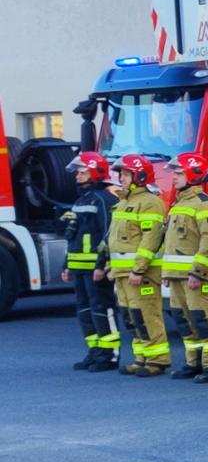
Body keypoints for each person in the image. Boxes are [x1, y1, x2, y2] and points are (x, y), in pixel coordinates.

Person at [159, 152, 208, 383]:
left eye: (179, 173)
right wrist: (166, 272)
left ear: (194, 175)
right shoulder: (179, 203)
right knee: (184, 320)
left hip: (196, 276)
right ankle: (193, 362)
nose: (174, 177)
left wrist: (199, 272)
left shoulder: (206, 204)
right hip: (177, 276)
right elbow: (170, 242)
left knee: (203, 318)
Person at [107, 155, 170, 377]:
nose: (121, 178)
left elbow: (150, 238)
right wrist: (110, 266)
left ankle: (157, 360)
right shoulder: (123, 202)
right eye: (121, 174)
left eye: (126, 174)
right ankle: (141, 357)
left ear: (140, 176)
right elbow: (113, 239)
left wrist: (139, 269)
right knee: (131, 317)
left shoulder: (149, 202)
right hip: (122, 273)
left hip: (140, 274)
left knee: (146, 315)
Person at [63, 151, 120, 373]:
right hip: (79, 268)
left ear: (96, 172)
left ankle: (109, 355)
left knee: (102, 309)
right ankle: (95, 351)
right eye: (77, 172)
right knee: (85, 311)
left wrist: (101, 265)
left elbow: (107, 235)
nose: (77, 176)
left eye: (82, 172)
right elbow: (73, 235)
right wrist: (67, 264)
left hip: (95, 269)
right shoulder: (81, 201)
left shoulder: (104, 199)